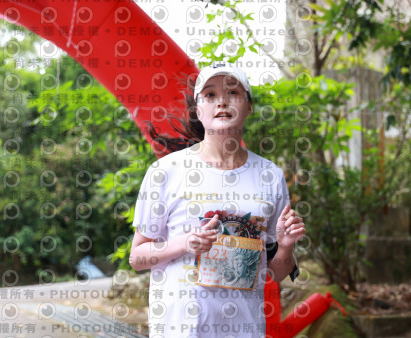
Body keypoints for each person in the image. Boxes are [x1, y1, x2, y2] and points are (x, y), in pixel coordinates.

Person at [129, 62, 306, 338]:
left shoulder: (269, 175)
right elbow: (137, 257)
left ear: (249, 107)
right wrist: (184, 243)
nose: (222, 101)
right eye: (210, 95)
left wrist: (285, 246)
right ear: (198, 110)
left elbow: (273, 274)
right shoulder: (166, 171)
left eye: (233, 92)